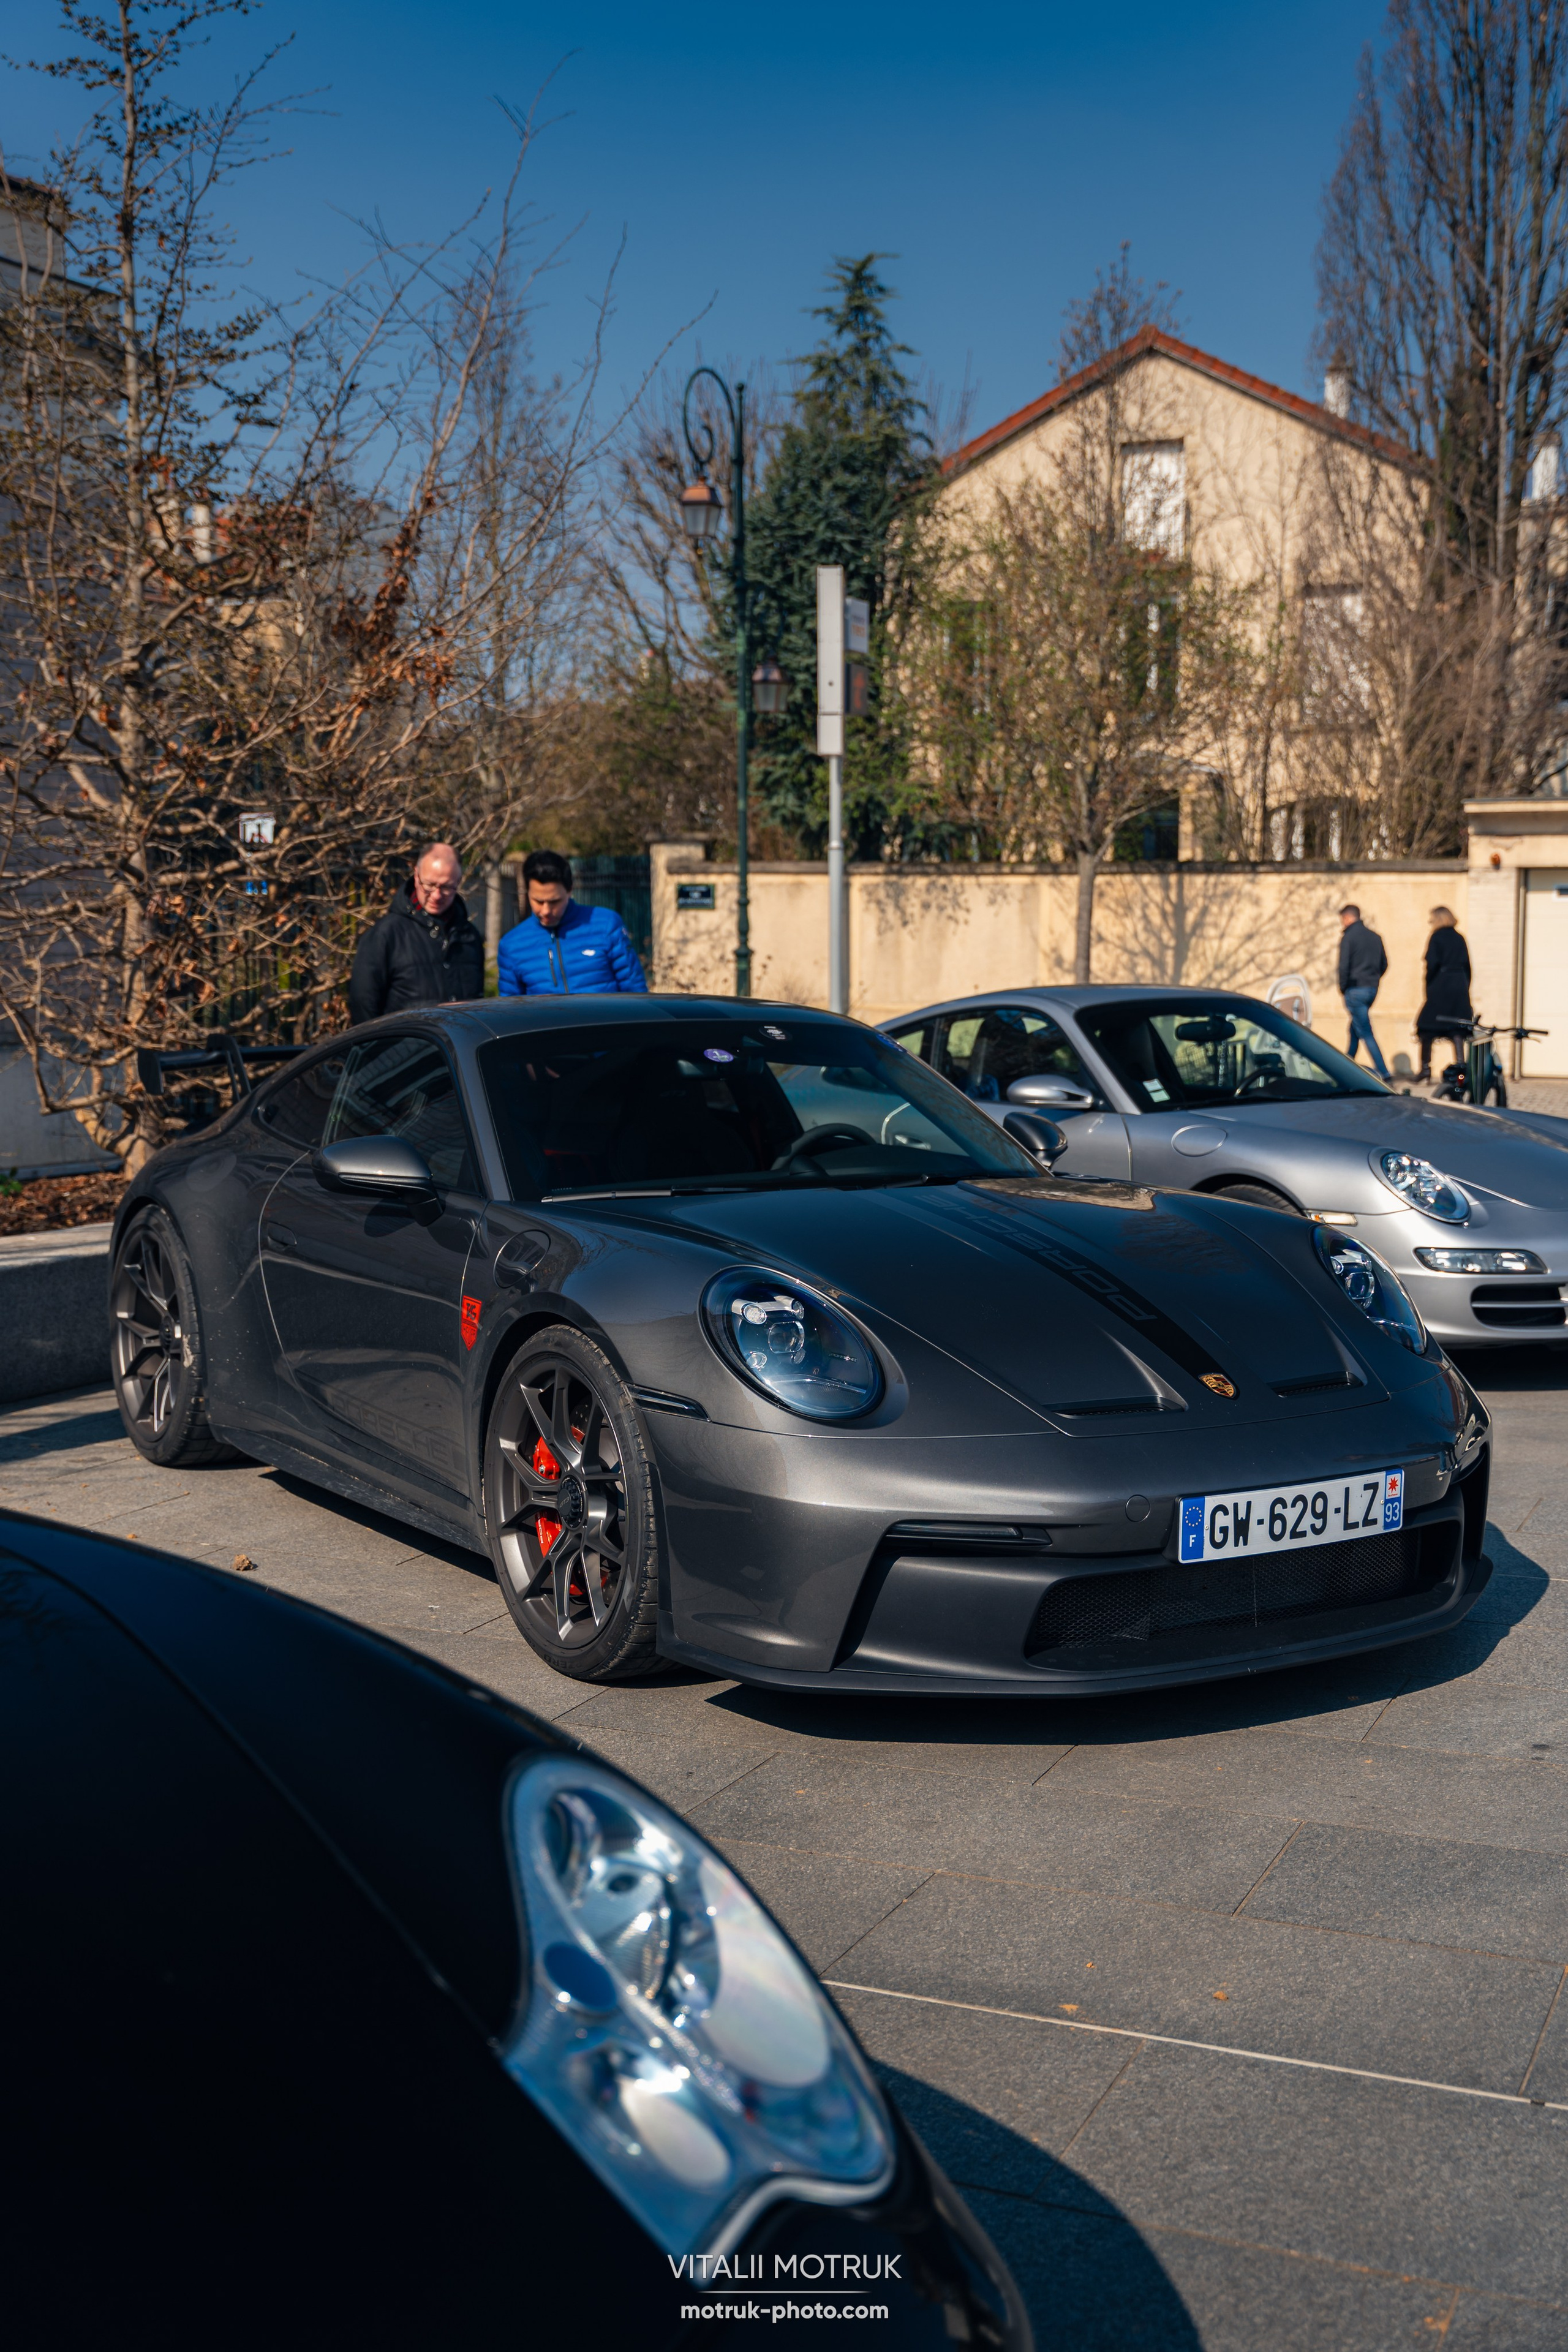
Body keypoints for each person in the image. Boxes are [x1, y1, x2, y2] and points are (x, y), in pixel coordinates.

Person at [347, 843, 485, 1025]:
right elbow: (363, 1004)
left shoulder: (470, 936)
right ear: (416, 875)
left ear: (458, 881)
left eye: (447, 887)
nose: (437, 895)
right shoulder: (386, 935)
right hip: (402, 1041)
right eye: (429, 885)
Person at [497, 849, 648, 997]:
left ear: (570, 891)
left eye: (555, 902)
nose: (546, 911)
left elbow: (636, 993)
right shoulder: (511, 945)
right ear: (528, 892)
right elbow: (510, 1009)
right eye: (538, 901)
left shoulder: (606, 925)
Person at [1415, 905, 1472, 1082]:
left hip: (1441, 984)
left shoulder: (1437, 937)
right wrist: (1464, 987)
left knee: (1426, 1026)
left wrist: (1429, 986)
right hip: (1459, 985)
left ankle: (1425, 1069)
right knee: (1458, 1028)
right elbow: (1468, 966)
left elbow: (1432, 964)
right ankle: (1461, 1068)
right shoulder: (1460, 938)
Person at [1337, 902, 1391, 1080]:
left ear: (1347, 918)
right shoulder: (1375, 937)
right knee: (1355, 1028)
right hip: (1371, 989)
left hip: (1355, 990)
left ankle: (1384, 1073)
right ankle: (1345, 1067)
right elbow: (1384, 964)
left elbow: (1343, 966)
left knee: (1366, 1032)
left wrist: (1343, 987)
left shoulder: (1348, 937)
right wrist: (1373, 980)